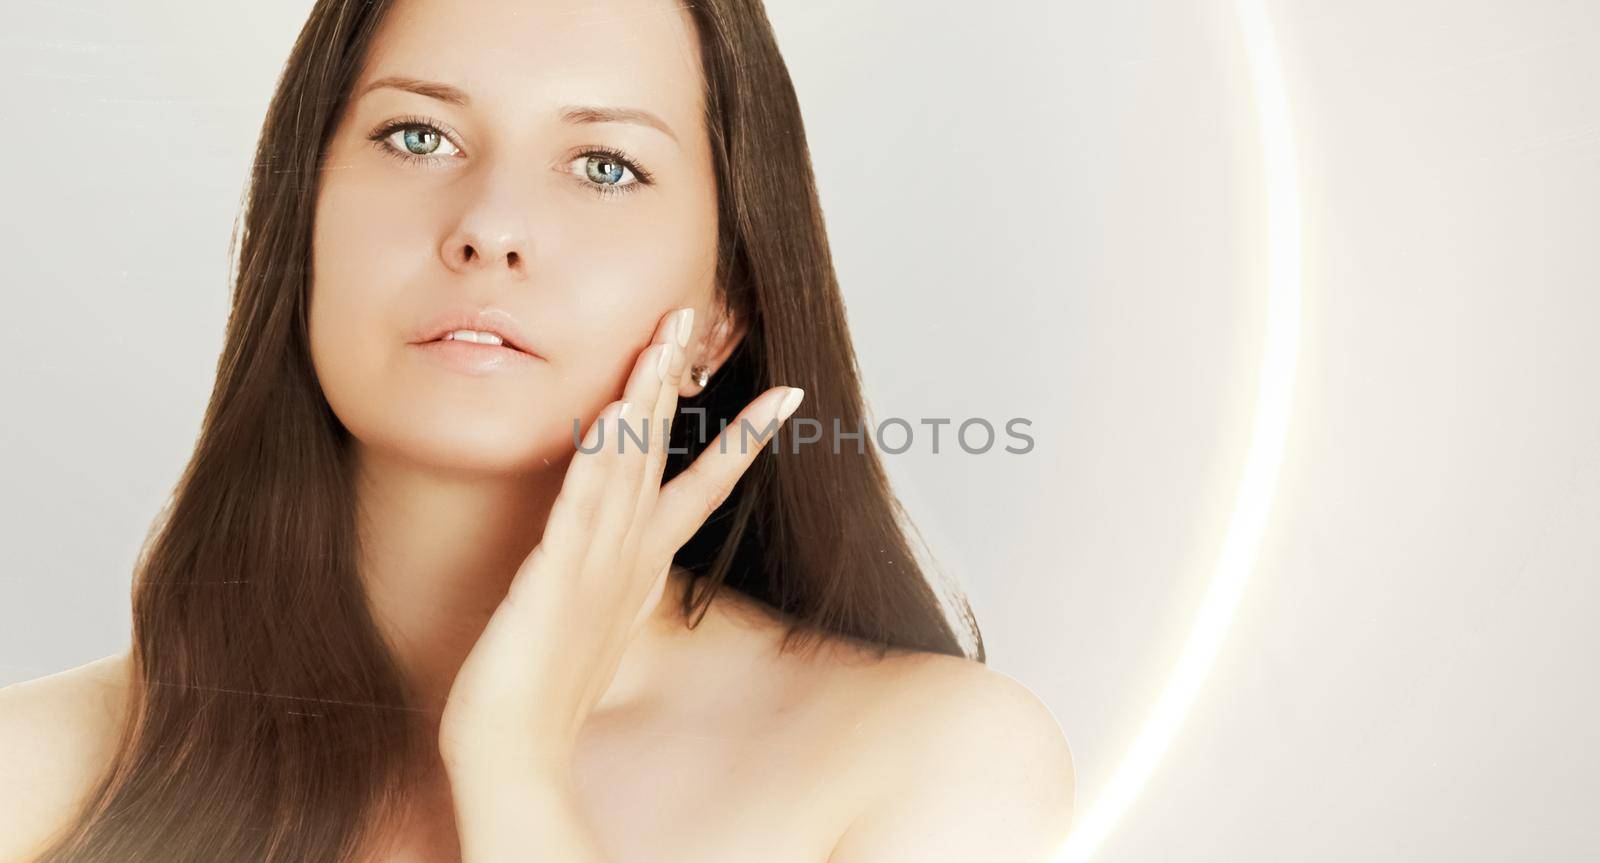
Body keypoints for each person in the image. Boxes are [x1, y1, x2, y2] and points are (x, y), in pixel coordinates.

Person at [0, 0, 1075, 860]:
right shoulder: (39, 771)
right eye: (417, 135)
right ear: (302, 219)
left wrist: (511, 762)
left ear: (726, 309)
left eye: (605, 165)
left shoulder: (924, 763)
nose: (488, 228)